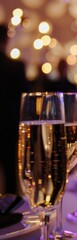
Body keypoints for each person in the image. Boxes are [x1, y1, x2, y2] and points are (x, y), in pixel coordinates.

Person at [0, 24, 28, 194]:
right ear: (6, 38)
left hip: (9, 124)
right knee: (11, 170)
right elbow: (23, 102)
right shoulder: (15, 66)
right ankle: (10, 209)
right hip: (9, 125)